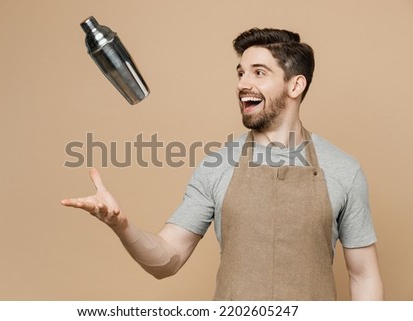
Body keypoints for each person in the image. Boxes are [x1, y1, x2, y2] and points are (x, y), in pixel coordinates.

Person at [61, 28, 383, 300]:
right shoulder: (217, 166)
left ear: (295, 86)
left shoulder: (343, 170)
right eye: (241, 73)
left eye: (259, 72)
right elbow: (167, 260)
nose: (243, 83)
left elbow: (364, 275)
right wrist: (123, 227)